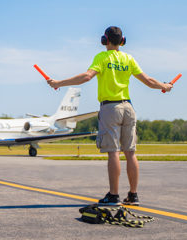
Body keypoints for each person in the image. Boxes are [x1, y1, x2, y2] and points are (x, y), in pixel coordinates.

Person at [47, 26, 173, 206]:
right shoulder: (128, 58)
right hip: (128, 107)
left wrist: (59, 83)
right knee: (130, 152)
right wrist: (164, 86)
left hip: (110, 108)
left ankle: (113, 195)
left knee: (113, 152)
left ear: (104, 40)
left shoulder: (102, 57)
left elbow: (86, 77)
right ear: (122, 41)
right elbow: (149, 81)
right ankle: (133, 195)